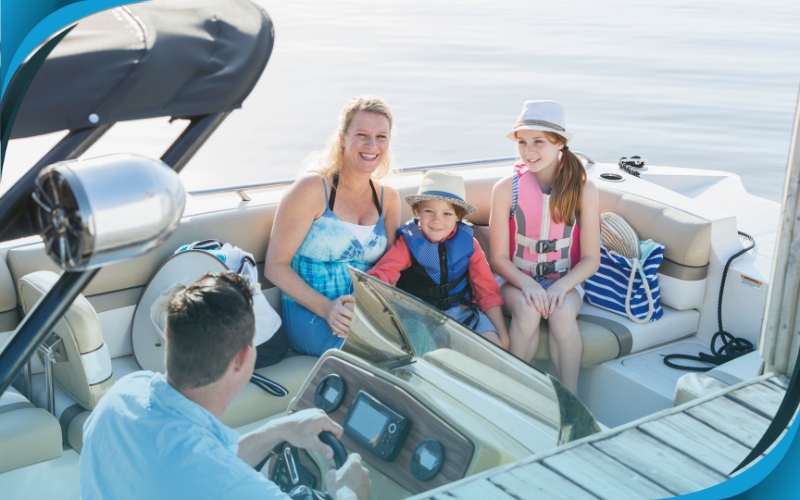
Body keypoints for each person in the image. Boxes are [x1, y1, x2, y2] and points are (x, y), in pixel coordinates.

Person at [80, 272, 371, 500]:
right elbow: (215, 474)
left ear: (168, 335)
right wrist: (350, 494)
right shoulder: (238, 489)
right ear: (242, 358)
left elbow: (205, 465)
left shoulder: (121, 395)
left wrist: (279, 430)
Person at [265, 96, 402, 356]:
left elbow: (391, 270)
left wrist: (373, 312)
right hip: (313, 316)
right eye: (361, 134)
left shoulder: (389, 199)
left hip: (367, 316)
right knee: (389, 359)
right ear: (342, 138)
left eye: (381, 137)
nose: (372, 145)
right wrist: (328, 309)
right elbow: (275, 267)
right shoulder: (312, 189)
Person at [488, 100, 600, 394]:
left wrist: (562, 287)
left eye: (539, 141)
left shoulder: (584, 189)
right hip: (514, 279)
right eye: (522, 142)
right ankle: (512, 394)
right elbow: (498, 258)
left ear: (559, 143)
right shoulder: (504, 189)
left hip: (565, 281)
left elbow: (591, 259)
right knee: (527, 310)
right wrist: (527, 284)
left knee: (562, 314)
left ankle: (569, 400)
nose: (529, 151)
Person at [368, 171, 510, 349]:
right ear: (417, 211)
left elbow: (487, 292)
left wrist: (502, 334)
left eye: (447, 214)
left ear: (458, 217)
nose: (437, 220)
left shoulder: (469, 244)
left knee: (494, 348)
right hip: (419, 316)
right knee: (431, 356)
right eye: (429, 211)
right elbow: (384, 273)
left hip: (463, 312)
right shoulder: (408, 243)